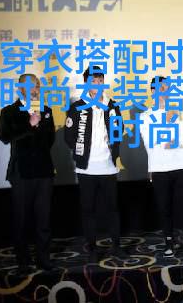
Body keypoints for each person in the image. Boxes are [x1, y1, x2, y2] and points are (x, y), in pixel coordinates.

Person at [64, 65, 126, 262]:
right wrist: (81, 151)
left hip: (108, 166)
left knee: (113, 209)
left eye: (100, 81)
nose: (97, 85)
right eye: (93, 81)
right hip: (86, 168)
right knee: (88, 210)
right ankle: (92, 248)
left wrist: (113, 141)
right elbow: (68, 136)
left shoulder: (112, 105)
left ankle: (116, 246)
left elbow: (120, 130)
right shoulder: (77, 106)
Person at [139, 76, 183, 257]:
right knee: (164, 207)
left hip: (181, 165)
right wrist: (168, 128)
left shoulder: (179, 112)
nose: (165, 92)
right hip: (159, 168)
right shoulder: (145, 116)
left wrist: (175, 141)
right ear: (153, 91)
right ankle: (169, 241)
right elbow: (150, 142)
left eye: (167, 89)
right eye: (161, 89)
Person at [0, 73, 55, 271]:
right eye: (31, 85)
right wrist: (29, 125)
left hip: (44, 171)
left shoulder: (46, 110)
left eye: (37, 85)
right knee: (21, 219)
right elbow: (5, 137)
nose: (35, 89)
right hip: (21, 172)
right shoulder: (9, 111)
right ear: (20, 88)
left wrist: (38, 126)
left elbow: (50, 140)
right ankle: (23, 260)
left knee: (44, 219)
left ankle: (43, 258)